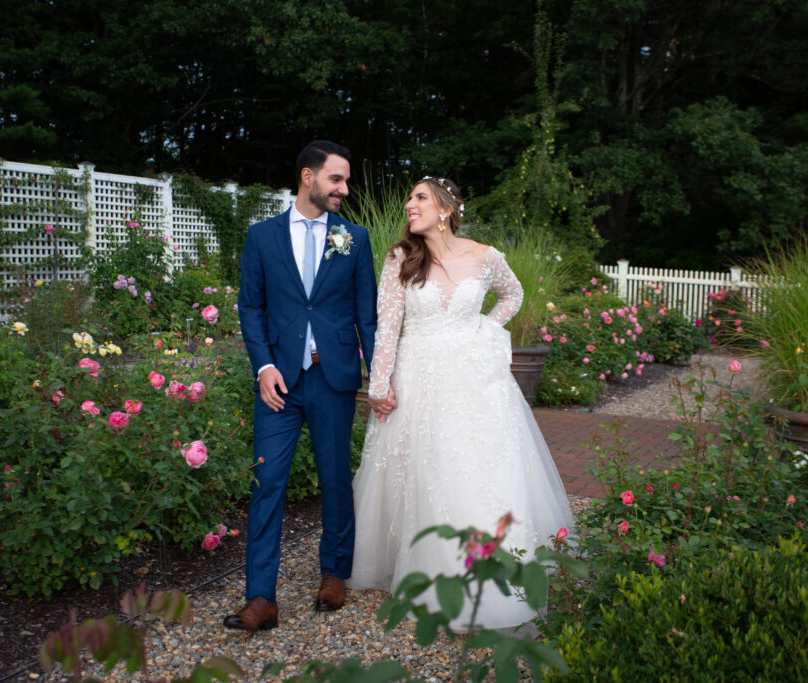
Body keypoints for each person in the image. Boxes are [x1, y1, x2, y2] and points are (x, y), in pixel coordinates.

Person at [348, 176, 572, 631]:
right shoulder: (400, 258)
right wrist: (380, 383)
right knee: (425, 467)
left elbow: (514, 294)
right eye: (411, 198)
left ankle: (491, 568)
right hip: (418, 376)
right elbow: (387, 326)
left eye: (420, 198)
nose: (410, 205)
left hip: (474, 378)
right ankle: (425, 568)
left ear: (446, 209)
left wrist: (487, 328)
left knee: (478, 464)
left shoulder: (485, 256)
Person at [225, 141, 378, 631]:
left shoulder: (354, 237)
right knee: (266, 483)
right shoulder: (261, 237)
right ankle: (261, 598)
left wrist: (380, 378)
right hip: (279, 383)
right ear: (308, 177)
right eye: (337, 179)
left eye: (347, 181)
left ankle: (334, 573)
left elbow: (367, 316)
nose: (344, 190)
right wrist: (263, 365)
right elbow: (250, 306)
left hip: (333, 377)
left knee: (335, 478)